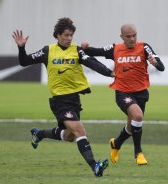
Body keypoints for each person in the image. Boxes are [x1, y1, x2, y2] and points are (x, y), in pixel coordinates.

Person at [12, 17, 113, 177]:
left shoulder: (77, 50)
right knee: (80, 130)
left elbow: (93, 63)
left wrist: (111, 73)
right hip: (60, 100)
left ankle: (39, 134)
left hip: (74, 100)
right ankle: (95, 166)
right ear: (58, 35)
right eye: (66, 35)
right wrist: (21, 48)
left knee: (69, 136)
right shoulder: (48, 51)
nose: (69, 38)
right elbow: (24, 61)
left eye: (71, 35)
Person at [81, 23, 165, 165]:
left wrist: (154, 63)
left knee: (132, 127)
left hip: (141, 93)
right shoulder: (115, 49)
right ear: (122, 37)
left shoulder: (144, 47)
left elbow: (161, 67)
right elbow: (94, 52)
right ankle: (138, 153)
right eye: (128, 36)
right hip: (123, 92)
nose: (132, 39)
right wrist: (85, 47)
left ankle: (116, 143)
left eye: (134, 35)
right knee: (137, 116)